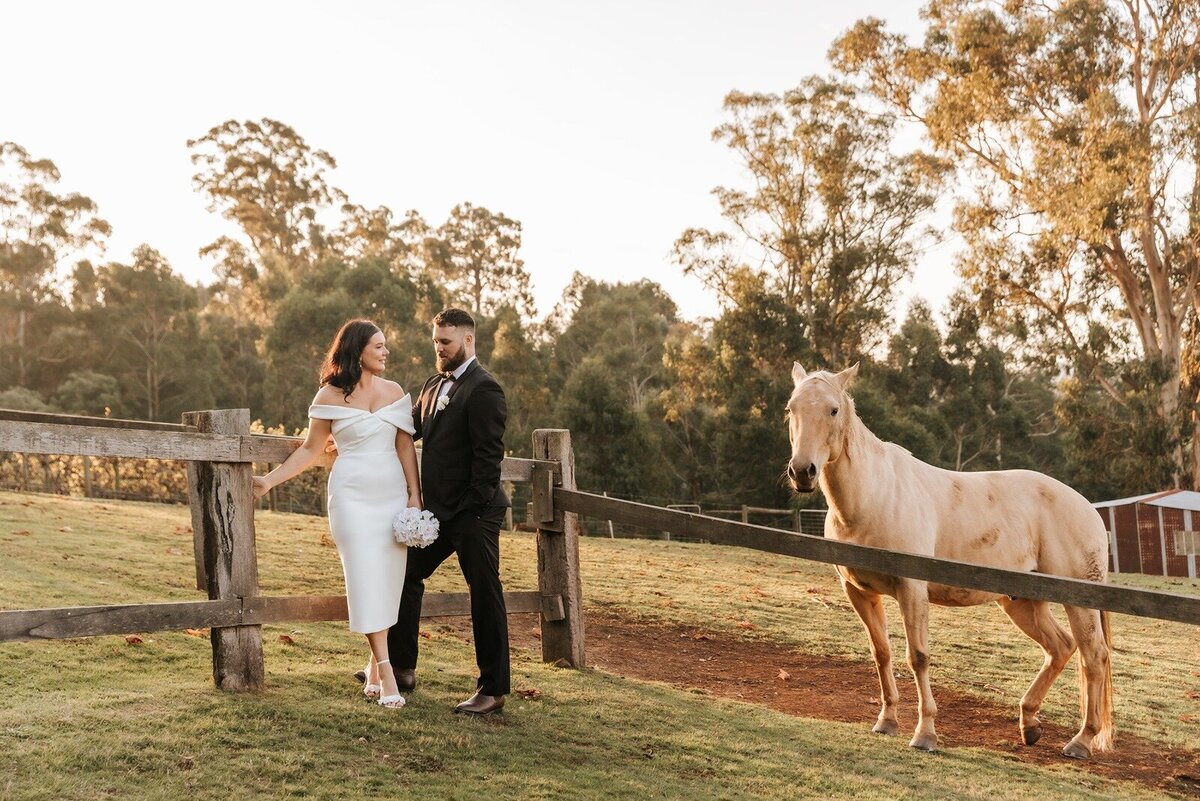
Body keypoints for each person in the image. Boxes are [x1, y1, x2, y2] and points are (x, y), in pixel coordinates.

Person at [252, 319, 421, 709]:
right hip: (350, 497)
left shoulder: (394, 392)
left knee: (388, 580)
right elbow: (311, 449)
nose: (385, 352)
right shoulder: (328, 395)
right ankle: (386, 667)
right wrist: (268, 482)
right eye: (379, 346)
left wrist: (415, 495)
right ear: (358, 350)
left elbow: (405, 447)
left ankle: (373, 665)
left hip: (391, 496)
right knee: (363, 577)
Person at [387, 307, 511, 715]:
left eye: (446, 342)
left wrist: (469, 513)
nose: (439, 349)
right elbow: (407, 429)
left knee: (484, 591)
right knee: (406, 574)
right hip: (439, 514)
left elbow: (488, 462)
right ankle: (402, 668)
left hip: (474, 513)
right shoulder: (432, 385)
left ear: (468, 340)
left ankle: (493, 689)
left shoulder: (485, 389)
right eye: (436, 341)